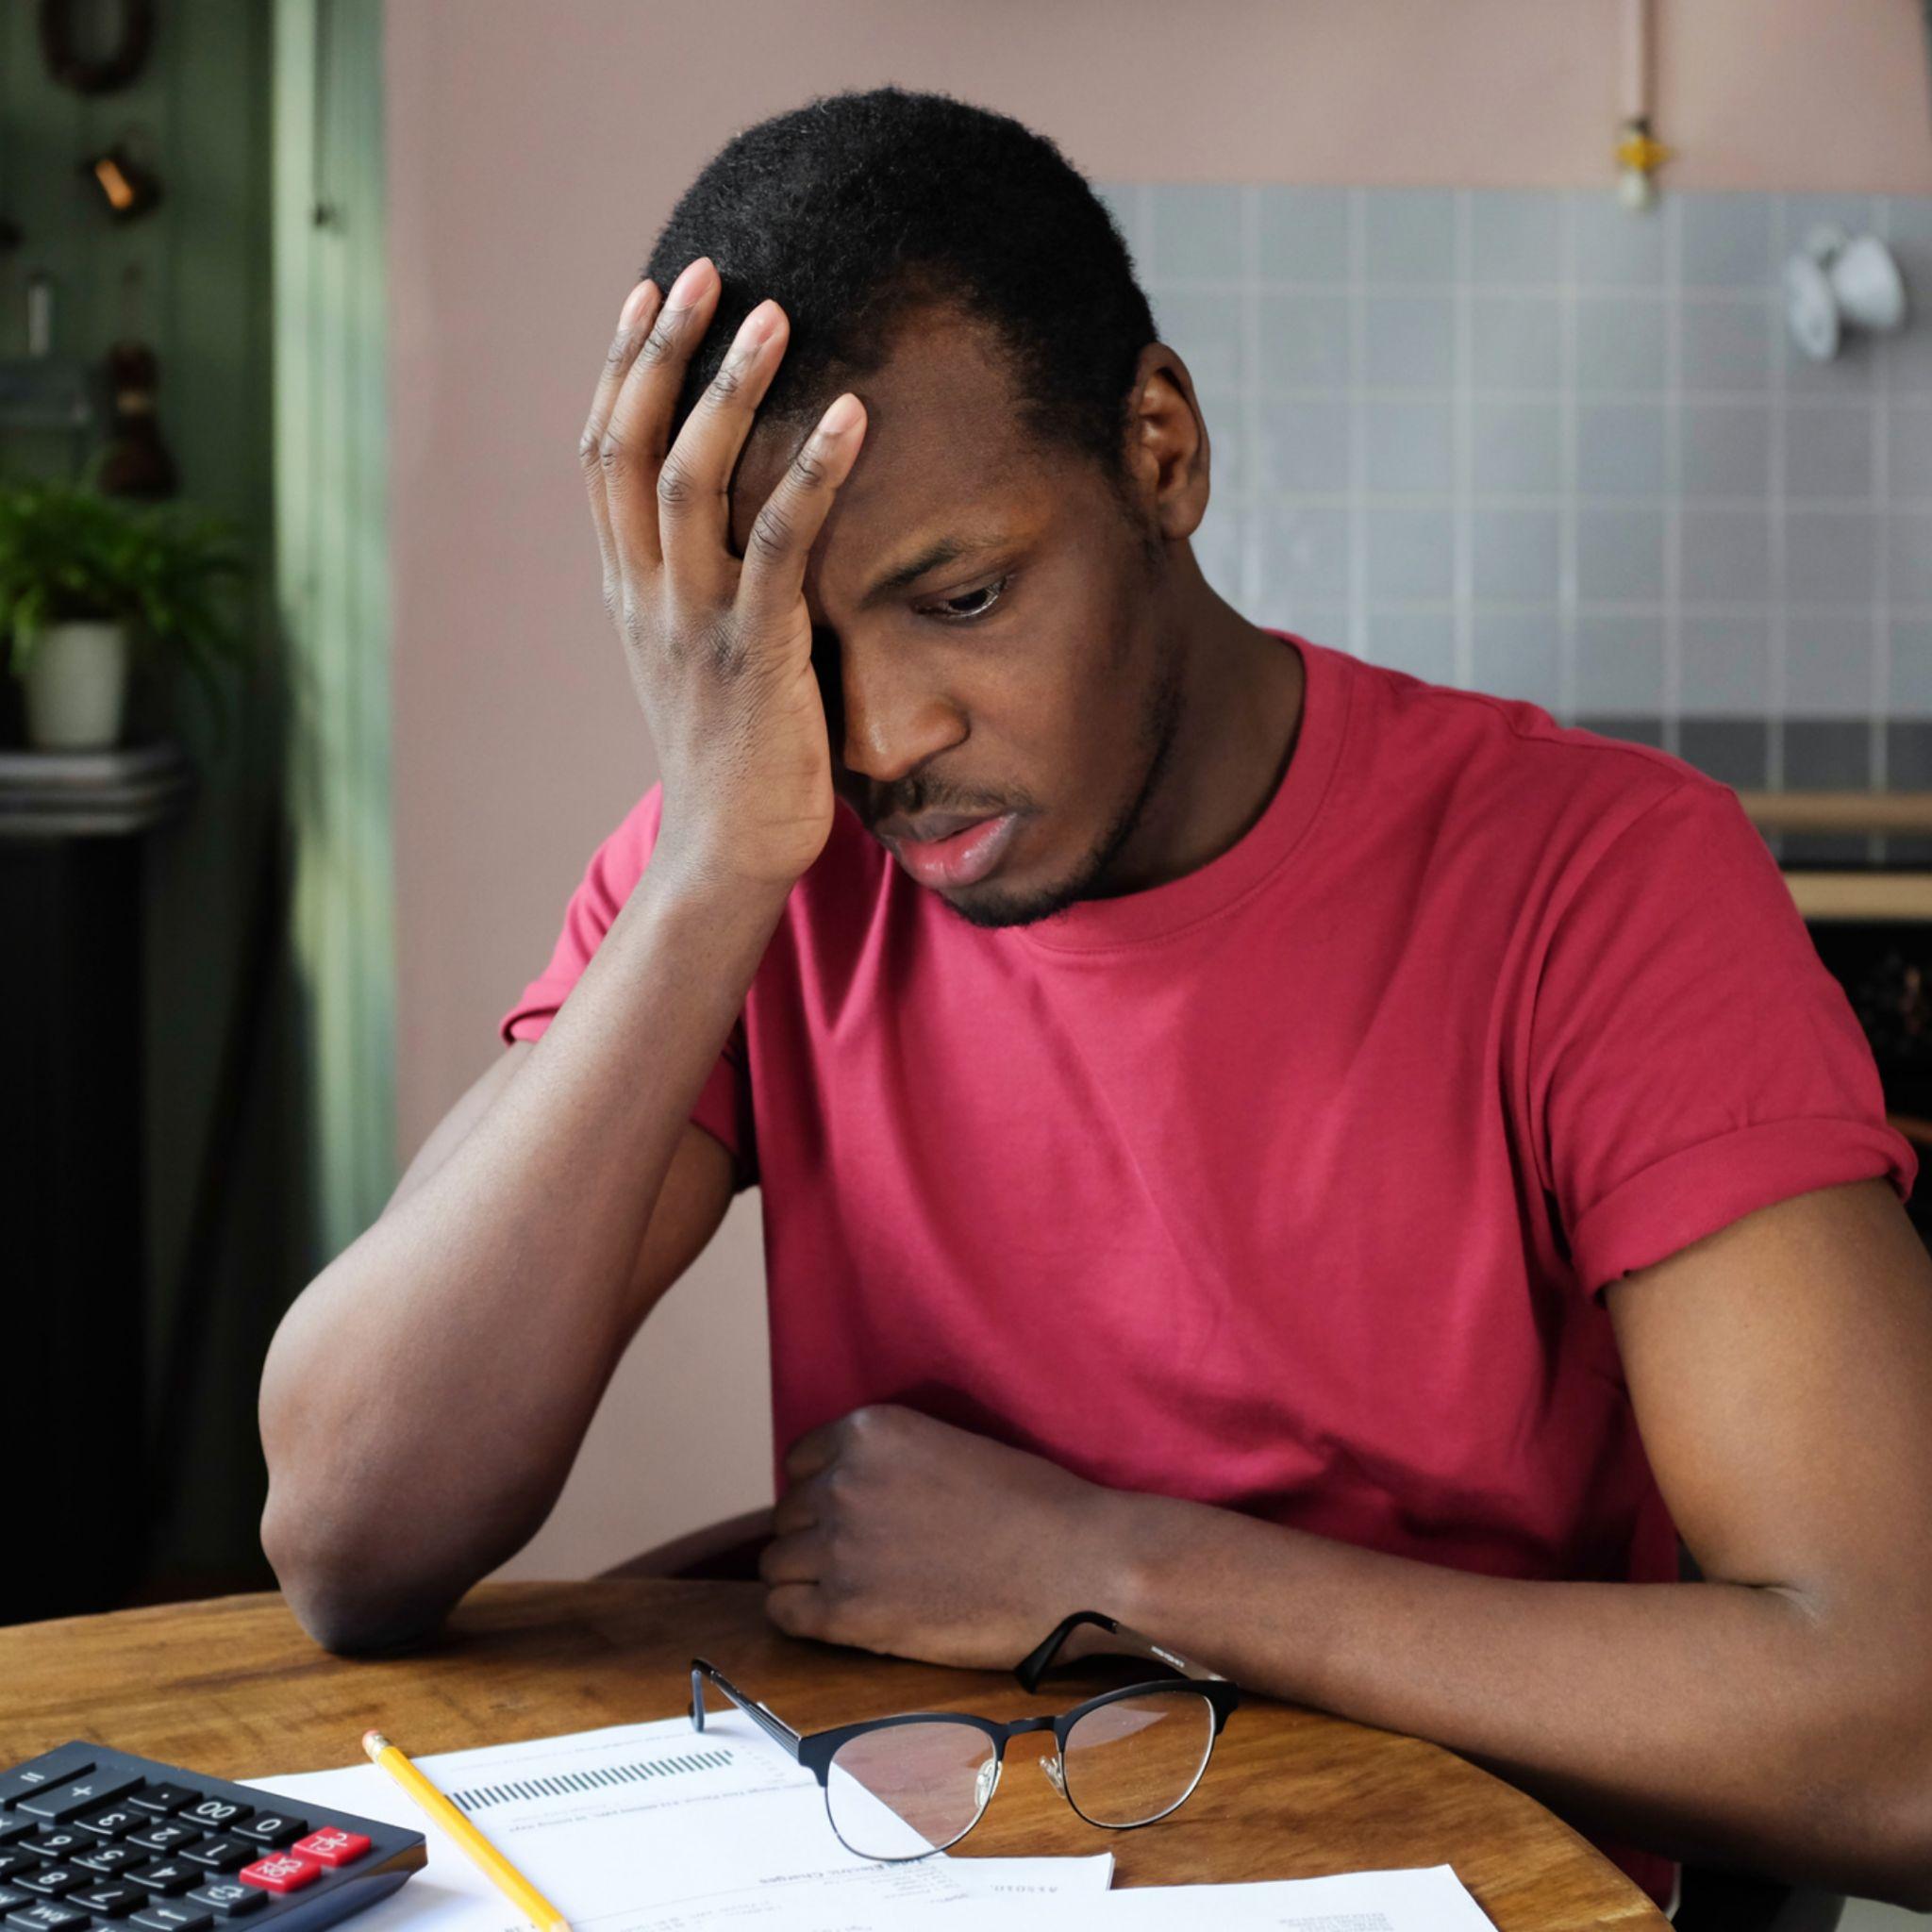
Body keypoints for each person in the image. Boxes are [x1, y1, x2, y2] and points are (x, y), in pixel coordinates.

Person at [258, 87, 1932, 1911]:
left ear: (1161, 450)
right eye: (792, 648)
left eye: (962, 597)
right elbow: (351, 1531)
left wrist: (1123, 1567)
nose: (888, 739)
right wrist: (710, 872)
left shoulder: (1599, 884)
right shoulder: (762, 857)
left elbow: (1895, 1729)